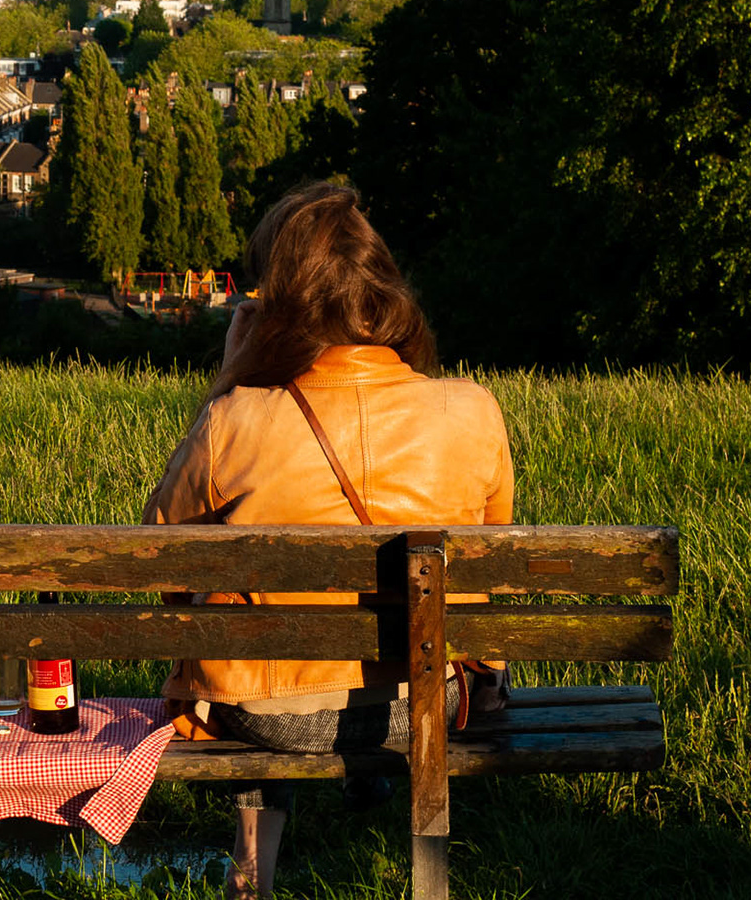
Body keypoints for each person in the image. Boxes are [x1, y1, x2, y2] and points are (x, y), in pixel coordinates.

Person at [142, 183, 514, 899]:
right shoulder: (471, 410)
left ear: (279, 302)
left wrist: (229, 379)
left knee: (240, 622)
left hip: (270, 718)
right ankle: (401, 832)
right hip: (423, 701)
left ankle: (251, 875)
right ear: (384, 289)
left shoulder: (238, 419)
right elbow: (489, 561)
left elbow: (161, 561)